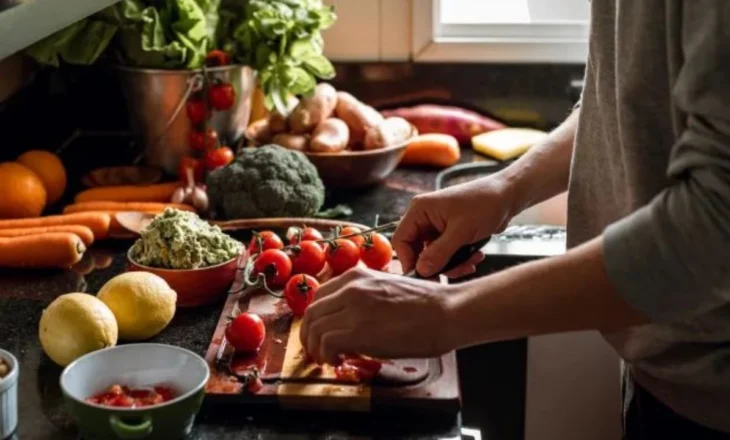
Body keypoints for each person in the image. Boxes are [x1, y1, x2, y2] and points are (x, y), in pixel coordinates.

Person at [300, 1, 730, 438]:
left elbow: (715, 228)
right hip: (666, 371)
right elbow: (625, 97)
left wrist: (447, 313)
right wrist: (506, 189)